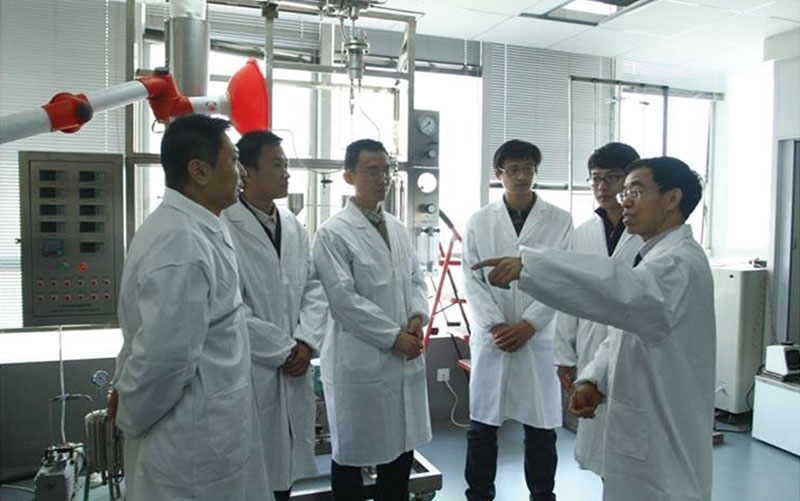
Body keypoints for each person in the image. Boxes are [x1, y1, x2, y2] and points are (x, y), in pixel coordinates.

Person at [473, 157, 715, 501]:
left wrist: (531, 267)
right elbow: (623, 331)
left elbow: (621, 292)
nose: (624, 200)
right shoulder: (654, 256)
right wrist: (595, 378)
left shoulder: (679, 261)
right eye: (624, 192)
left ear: (672, 199)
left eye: (635, 191)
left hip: (664, 432)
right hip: (641, 420)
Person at [111, 115, 272, 500]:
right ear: (199, 171)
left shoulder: (201, 226)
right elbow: (165, 360)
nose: (242, 173)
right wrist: (129, 416)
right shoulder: (180, 243)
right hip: (186, 444)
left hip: (209, 427)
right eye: (233, 160)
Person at [311, 139, 432, 501]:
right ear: (349, 176)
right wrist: (395, 337)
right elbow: (343, 300)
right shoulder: (332, 233)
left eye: (386, 171)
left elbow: (416, 279)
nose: (382, 179)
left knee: (400, 451)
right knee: (352, 455)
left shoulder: (397, 228)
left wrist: (416, 317)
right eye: (372, 171)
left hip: (402, 355)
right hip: (361, 360)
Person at [462, 139, 573, 501]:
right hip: (493, 338)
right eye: (513, 169)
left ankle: (542, 494)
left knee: (541, 428)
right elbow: (472, 280)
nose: (522, 176)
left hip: (536, 338)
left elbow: (561, 278)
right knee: (482, 427)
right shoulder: (480, 221)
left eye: (528, 169)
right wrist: (494, 325)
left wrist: (530, 325)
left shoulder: (560, 220)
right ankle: (479, 494)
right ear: (499, 174)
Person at [221, 131, 328, 501]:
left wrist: (306, 342)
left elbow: (313, 288)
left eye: (286, 165)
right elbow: (229, 307)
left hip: (295, 363)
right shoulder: (223, 226)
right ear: (246, 171)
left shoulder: (294, 226)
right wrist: (283, 349)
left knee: (284, 474)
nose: (286, 174)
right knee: (251, 476)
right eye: (277, 165)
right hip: (253, 367)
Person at [554, 142, 643, 477]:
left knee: (631, 436)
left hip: (635, 344)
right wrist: (565, 354)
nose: (602, 187)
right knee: (600, 433)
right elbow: (568, 295)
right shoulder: (583, 234)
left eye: (612, 178)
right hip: (591, 342)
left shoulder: (646, 233)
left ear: (630, 182)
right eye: (595, 178)